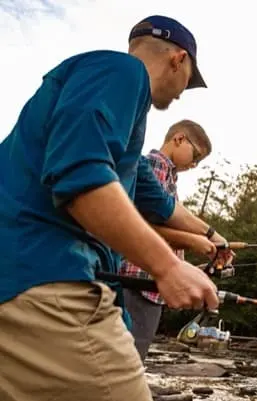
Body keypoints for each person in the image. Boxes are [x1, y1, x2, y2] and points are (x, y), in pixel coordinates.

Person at [0, 15, 228, 401]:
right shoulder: (122, 72)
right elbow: (81, 179)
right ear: (178, 59)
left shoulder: (124, 135)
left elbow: (159, 203)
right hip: (40, 275)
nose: (183, 93)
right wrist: (168, 267)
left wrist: (211, 235)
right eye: (189, 80)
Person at [120, 118, 220, 361]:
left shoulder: (169, 175)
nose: (195, 164)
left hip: (148, 284)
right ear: (178, 139)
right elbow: (142, 226)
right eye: (196, 156)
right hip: (139, 282)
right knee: (127, 361)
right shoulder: (156, 165)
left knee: (130, 359)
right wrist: (197, 242)